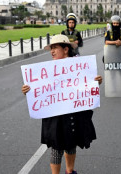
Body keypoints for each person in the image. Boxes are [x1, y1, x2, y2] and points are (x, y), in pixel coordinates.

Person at [21, 35, 103, 174]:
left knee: (71, 145)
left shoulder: (79, 65)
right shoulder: (46, 71)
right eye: (51, 49)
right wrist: (27, 91)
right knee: (56, 148)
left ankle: (70, 171)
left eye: (55, 48)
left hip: (74, 113)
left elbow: (87, 84)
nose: (51, 51)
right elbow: (38, 90)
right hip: (55, 115)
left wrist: (96, 81)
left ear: (65, 49)